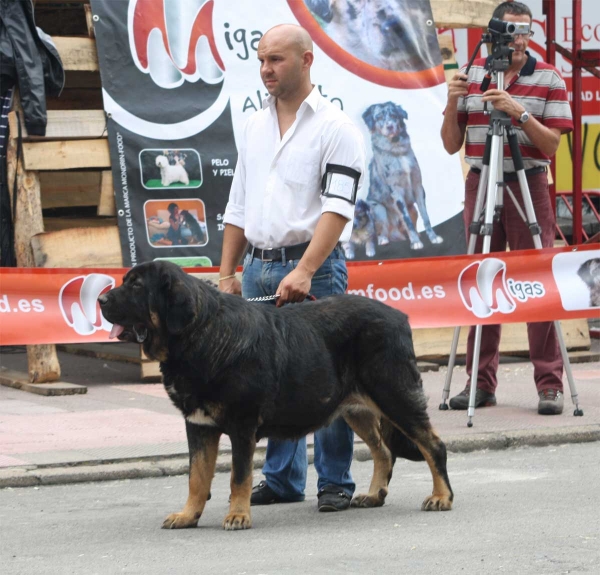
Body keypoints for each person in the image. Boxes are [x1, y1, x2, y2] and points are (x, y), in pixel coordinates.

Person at [218, 24, 366, 511]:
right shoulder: (254, 125)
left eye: (276, 60)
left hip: (314, 271)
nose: (265, 70)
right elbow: (237, 205)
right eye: (261, 60)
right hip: (259, 269)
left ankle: (335, 482)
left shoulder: (336, 128)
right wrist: (226, 273)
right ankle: (281, 480)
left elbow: (337, 208)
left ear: (306, 61)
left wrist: (304, 270)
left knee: (329, 377)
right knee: (267, 381)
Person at [441, 1, 574, 415]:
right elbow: (450, 144)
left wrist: (518, 115)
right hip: (481, 178)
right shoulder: (473, 73)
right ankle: (479, 383)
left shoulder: (549, 76)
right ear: (494, 32)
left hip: (528, 181)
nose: (520, 39)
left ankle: (549, 384)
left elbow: (552, 147)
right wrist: (452, 102)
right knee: (480, 275)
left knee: (537, 279)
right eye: (512, 30)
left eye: (526, 32)